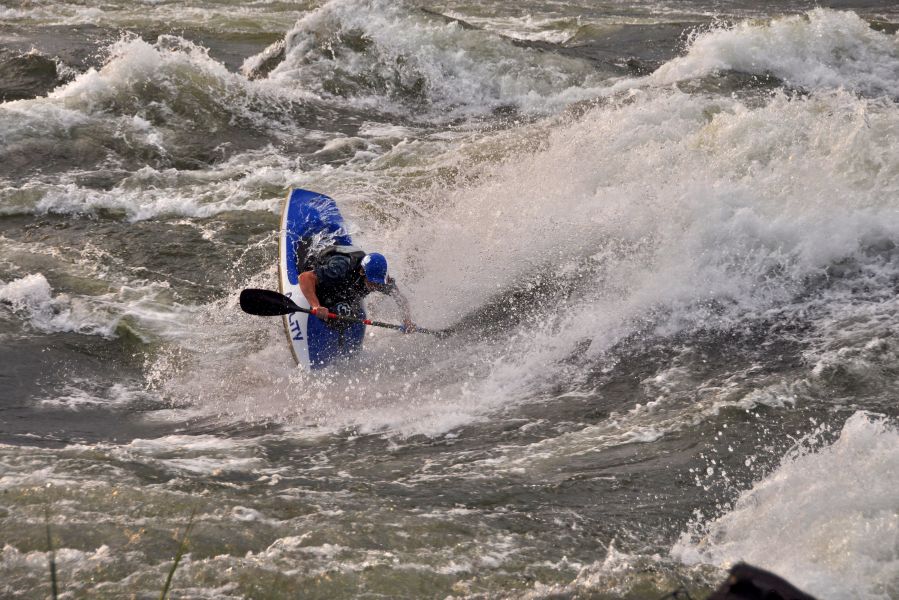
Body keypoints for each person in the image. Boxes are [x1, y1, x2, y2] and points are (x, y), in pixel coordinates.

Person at [298, 247, 415, 332]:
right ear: (362, 272)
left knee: (347, 314)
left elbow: (400, 299)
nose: (375, 286)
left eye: (378, 284)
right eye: (372, 282)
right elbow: (305, 277)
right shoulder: (341, 268)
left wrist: (407, 321)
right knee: (330, 303)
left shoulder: (382, 281)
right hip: (326, 274)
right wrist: (316, 306)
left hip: (344, 287)